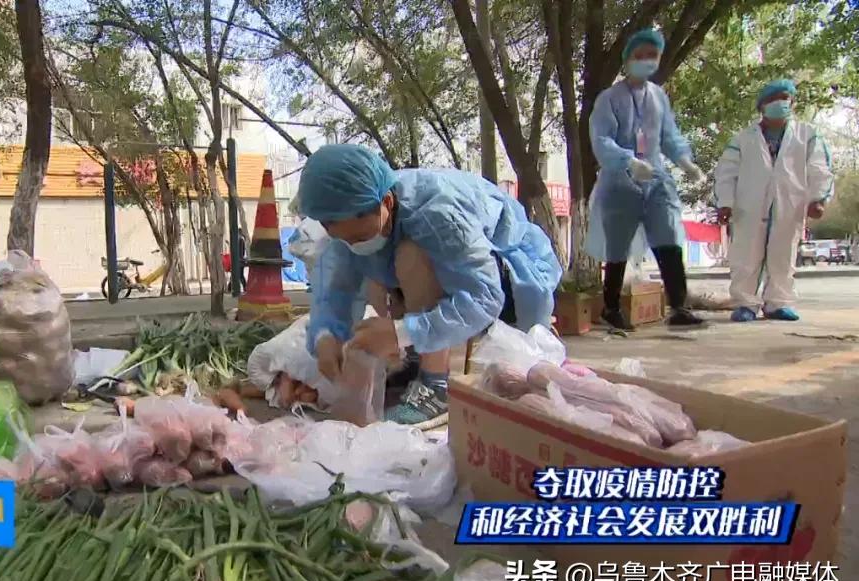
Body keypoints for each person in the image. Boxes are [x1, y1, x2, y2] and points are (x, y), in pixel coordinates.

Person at [298, 143, 562, 428]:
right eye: (344, 237)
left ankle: (435, 384)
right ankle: (414, 362)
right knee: (368, 268)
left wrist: (401, 332)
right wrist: (327, 337)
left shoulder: (437, 213)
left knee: (410, 255)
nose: (354, 244)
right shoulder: (351, 216)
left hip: (506, 283)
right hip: (454, 284)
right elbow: (334, 290)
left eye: (361, 235)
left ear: (386, 202)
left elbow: (483, 296)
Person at [587, 28, 705, 330]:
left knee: (668, 236)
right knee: (618, 246)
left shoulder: (658, 97)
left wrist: (685, 161)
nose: (646, 61)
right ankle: (611, 308)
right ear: (627, 59)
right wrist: (627, 161)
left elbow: (669, 135)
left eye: (651, 56)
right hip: (620, 182)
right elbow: (601, 139)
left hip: (656, 178)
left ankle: (679, 306)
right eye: (639, 56)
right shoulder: (609, 99)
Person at [714, 79, 834, 322]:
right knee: (746, 255)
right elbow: (726, 172)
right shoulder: (743, 139)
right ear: (762, 106)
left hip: (790, 205)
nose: (782, 103)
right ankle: (745, 303)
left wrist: (818, 199)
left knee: (783, 255)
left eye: (786, 98)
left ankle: (778, 303)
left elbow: (819, 168)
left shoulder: (807, 136)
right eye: (775, 98)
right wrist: (725, 202)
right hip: (749, 206)